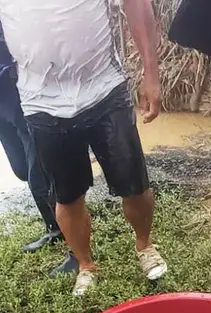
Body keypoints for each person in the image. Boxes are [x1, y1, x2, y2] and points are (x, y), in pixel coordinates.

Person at [0, 0, 168, 296]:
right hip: (40, 100)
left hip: (104, 87)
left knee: (135, 185)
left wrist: (151, 73)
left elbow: (136, 3)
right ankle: (86, 265)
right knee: (67, 196)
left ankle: (145, 245)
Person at [0, 19, 78, 274]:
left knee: (37, 173)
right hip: (2, 108)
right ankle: (55, 225)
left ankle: (66, 234)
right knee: (21, 168)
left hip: (20, 96)